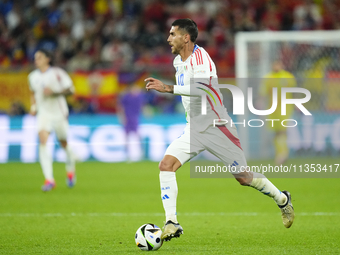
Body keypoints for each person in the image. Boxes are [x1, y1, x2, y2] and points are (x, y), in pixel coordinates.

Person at [145, 19, 295, 241]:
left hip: (217, 126)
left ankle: (282, 199)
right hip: (194, 129)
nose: (168, 39)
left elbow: (203, 88)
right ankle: (172, 222)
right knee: (166, 166)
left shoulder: (201, 57)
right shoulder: (178, 62)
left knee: (243, 177)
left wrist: (168, 88)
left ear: (186, 37)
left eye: (173, 34)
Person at [28, 49, 76, 192]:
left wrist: (54, 93)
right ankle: (49, 179)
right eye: (36, 58)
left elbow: (71, 90)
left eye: (40, 57)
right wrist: (33, 106)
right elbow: (32, 92)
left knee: (64, 143)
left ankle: (70, 167)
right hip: (43, 114)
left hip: (59, 113)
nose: (37, 60)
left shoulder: (58, 73)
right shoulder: (32, 76)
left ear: (48, 59)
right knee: (43, 142)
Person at [260, 61, 296, 165]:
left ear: (282, 65)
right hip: (272, 108)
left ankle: (283, 153)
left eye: (278, 64)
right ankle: (280, 153)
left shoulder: (288, 76)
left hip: (285, 107)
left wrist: (298, 104)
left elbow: (294, 91)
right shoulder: (268, 77)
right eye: (274, 64)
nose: (276, 66)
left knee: (282, 130)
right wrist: (260, 103)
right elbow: (263, 92)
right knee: (276, 132)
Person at [117, 83, 144, 161]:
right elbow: (121, 106)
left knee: (137, 135)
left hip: (135, 118)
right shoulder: (126, 97)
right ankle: (127, 153)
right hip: (128, 118)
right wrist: (121, 116)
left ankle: (141, 152)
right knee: (126, 136)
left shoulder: (139, 97)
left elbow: (142, 106)